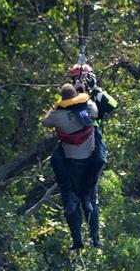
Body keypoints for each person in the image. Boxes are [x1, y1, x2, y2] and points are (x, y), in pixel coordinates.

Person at [41, 83, 102, 249]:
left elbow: (45, 121)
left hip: (70, 165)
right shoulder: (88, 107)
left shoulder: (57, 115)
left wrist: (57, 106)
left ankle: (77, 242)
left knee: (70, 203)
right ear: (76, 95)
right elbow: (95, 111)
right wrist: (81, 94)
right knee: (90, 202)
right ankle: (96, 240)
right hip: (89, 163)